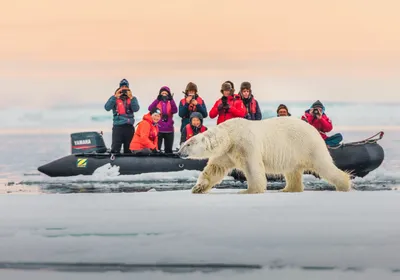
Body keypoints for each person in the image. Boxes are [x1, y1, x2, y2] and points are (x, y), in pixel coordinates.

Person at [104, 78, 140, 153]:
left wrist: (131, 98)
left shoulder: (133, 98)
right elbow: (107, 108)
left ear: (128, 88)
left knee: (129, 149)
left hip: (129, 127)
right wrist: (114, 97)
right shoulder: (114, 98)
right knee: (115, 147)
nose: (124, 89)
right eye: (122, 87)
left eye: (125, 87)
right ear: (119, 88)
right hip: (118, 126)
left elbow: (136, 109)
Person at [148, 86, 178, 153]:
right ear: (160, 94)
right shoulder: (157, 102)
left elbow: (175, 110)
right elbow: (150, 108)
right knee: (156, 149)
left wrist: (171, 100)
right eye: (162, 93)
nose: (164, 95)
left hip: (169, 129)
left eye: (166, 93)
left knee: (168, 150)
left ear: (169, 95)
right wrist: (157, 100)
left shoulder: (170, 102)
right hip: (158, 129)